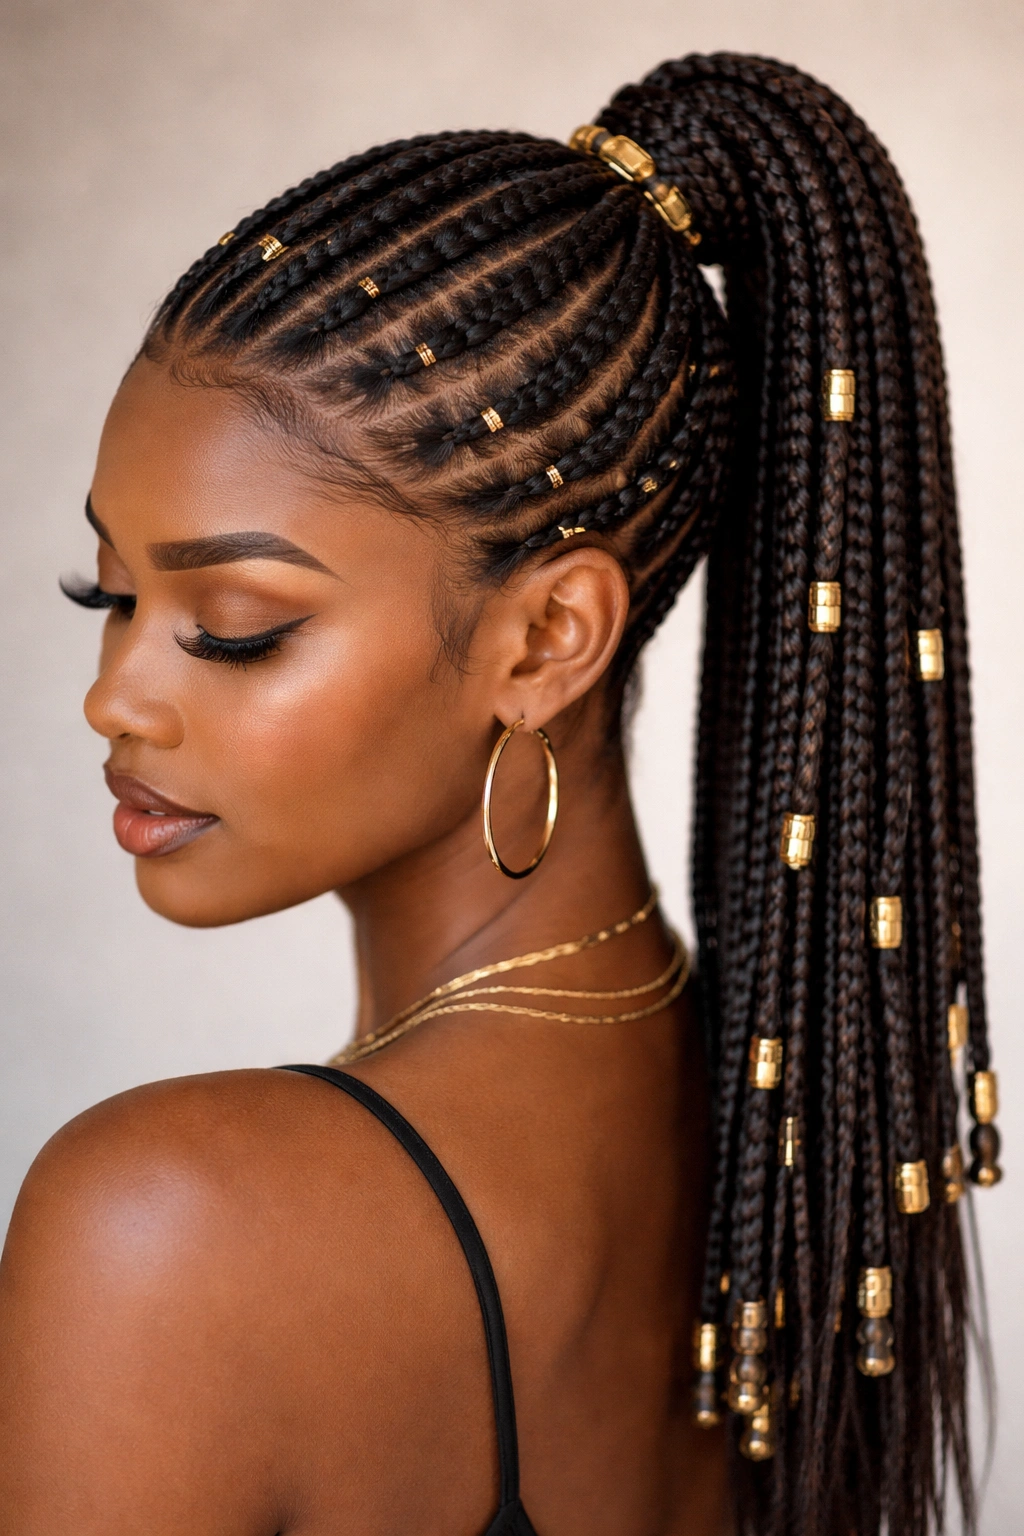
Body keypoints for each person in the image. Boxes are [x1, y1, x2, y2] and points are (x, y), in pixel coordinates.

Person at [0, 50, 998, 1536]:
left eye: (235, 627)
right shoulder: (797, 1137)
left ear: (546, 642)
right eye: (113, 593)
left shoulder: (168, 1228)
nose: (114, 697)